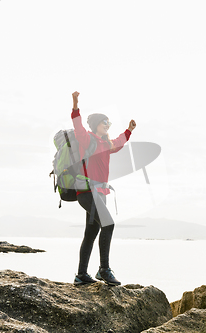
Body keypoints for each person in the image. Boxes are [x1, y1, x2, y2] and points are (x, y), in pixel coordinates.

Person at [71, 91, 136, 286]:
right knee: (109, 224)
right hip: (87, 192)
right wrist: (75, 104)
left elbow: (119, 143)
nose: (107, 125)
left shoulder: (106, 143)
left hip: (101, 193)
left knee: (91, 232)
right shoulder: (87, 139)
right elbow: (77, 125)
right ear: (96, 125)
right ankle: (104, 269)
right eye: (104, 123)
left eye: (109, 123)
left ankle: (81, 275)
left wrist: (129, 130)